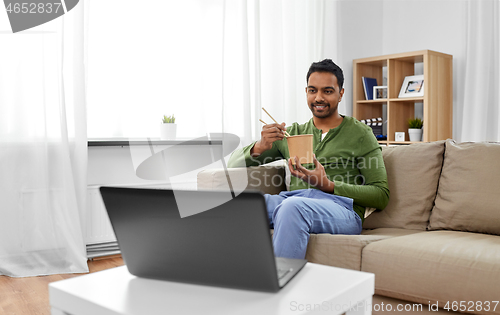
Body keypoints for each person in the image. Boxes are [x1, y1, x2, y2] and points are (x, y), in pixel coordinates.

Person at [228, 59, 389, 259]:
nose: (318, 97)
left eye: (327, 91)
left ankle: (282, 285)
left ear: (341, 94)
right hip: (294, 200)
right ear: (306, 92)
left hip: (342, 210)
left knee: (291, 208)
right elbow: (232, 165)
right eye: (313, 90)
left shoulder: (361, 134)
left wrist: (329, 185)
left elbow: (381, 195)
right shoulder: (292, 134)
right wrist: (260, 146)